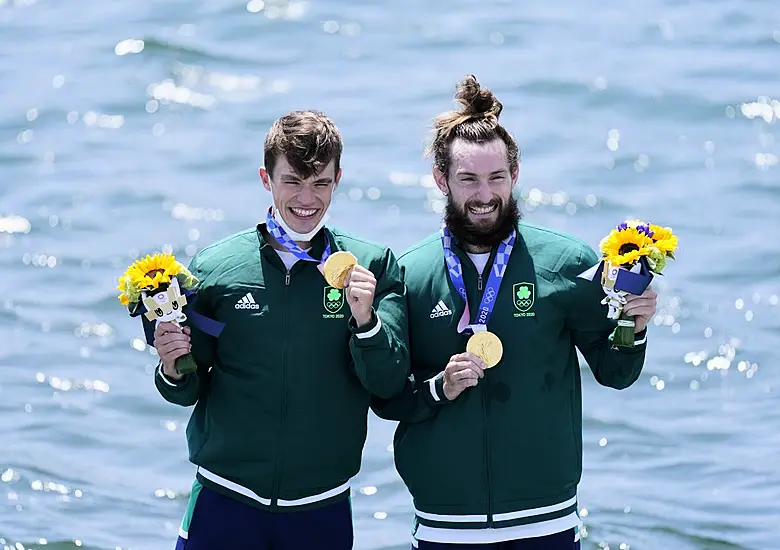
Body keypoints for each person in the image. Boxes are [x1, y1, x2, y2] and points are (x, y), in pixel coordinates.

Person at [372, 76, 658, 549]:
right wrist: (439, 388)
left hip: (546, 522)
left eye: (496, 177)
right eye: (468, 179)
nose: (484, 194)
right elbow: (386, 397)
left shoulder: (569, 263)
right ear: (441, 180)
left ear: (516, 173)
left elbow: (616, 371)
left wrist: (635, 326)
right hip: (446, 524)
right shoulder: (408, 273)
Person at [152, 110, 409, 550]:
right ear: (265, 178)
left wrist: (365, 322)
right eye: (292, 180)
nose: (307, 198)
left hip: (321, 507)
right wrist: (172, 367)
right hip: (223, 499)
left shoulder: (373, 266)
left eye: (321, 183)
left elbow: (388, 384)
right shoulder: (216, 269)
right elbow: (190, 387)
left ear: (338, 178)